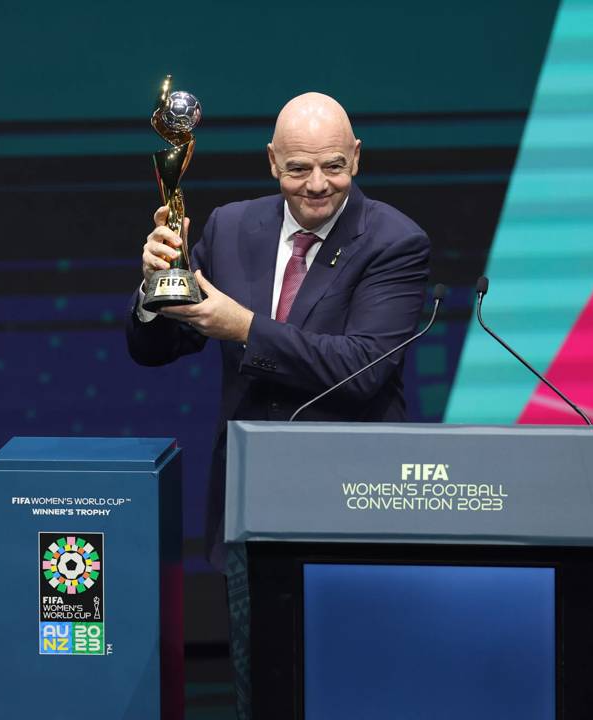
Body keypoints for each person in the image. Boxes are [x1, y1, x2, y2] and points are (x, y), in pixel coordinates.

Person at [126, 92, 430, 567]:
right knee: (252, 644)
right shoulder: (230, 226)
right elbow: (157, 347)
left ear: (356, 155)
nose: (317, 185)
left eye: (333, 166)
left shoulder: (394, 242)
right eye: (297, 169)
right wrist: (154, 288)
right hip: (249, 500)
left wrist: (245, 327)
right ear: (272, 161)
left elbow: (361, 368)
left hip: (356, 499)